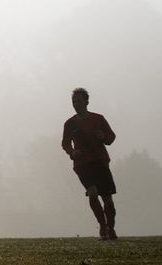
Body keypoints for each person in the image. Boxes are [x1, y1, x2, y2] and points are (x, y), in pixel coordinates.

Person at [61, 87, 118, 240]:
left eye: (78, 101)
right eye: (74, 102)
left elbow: (111, 138)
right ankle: (102, 226)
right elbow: (65, 143)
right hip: (82, 164)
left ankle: (111, 227)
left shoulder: (98, 119)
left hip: (100, 161)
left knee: (108, 199)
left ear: (87, 102)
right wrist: (72, 152)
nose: (76, 104)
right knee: (92, 193)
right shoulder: (69, 124)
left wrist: (103, 136)